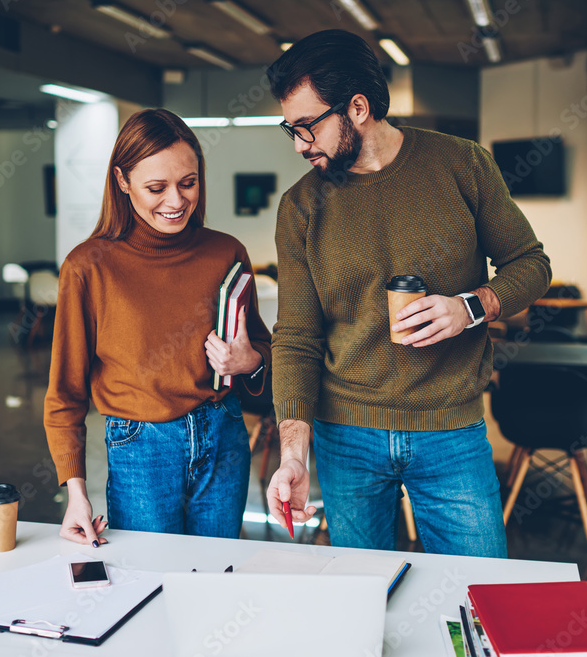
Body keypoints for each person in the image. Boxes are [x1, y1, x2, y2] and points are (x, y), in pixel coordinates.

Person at [264, 30, 551, 557]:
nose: (301, 145)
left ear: (357, 108)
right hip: (345, 435)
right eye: (291, 130)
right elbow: (298, 337)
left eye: (308, 126)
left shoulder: (462, 164)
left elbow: (530, 264)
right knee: (364, 591)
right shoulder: (301, 206)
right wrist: (294, 454)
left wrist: (470, 308)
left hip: (451, 429)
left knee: (477, 587)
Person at [44, 108, 271, 547]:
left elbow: (262, 349)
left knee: (217, 573)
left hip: (224, 434)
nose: (176, 201)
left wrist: (250, 360)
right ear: (122, 180)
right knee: (149, 576)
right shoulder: (87, 267)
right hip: (142, 449)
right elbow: (65, 393)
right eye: (156, 187)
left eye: (188, 183)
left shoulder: (226, 253)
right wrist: (75, 492)